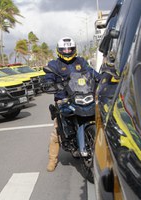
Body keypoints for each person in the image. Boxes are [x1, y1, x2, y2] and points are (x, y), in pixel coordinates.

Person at [43, 37, 101, 172]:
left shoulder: (80, 61)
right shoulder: (54, 65)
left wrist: (102, 78)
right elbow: (48, 78)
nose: (67, 51)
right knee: (57, 132)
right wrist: (48, 84)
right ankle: (52, 160)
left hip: (84, 96)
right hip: (64, 100)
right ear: (59, 50)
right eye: (64, 49)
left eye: (70, 49)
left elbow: (92, 73)